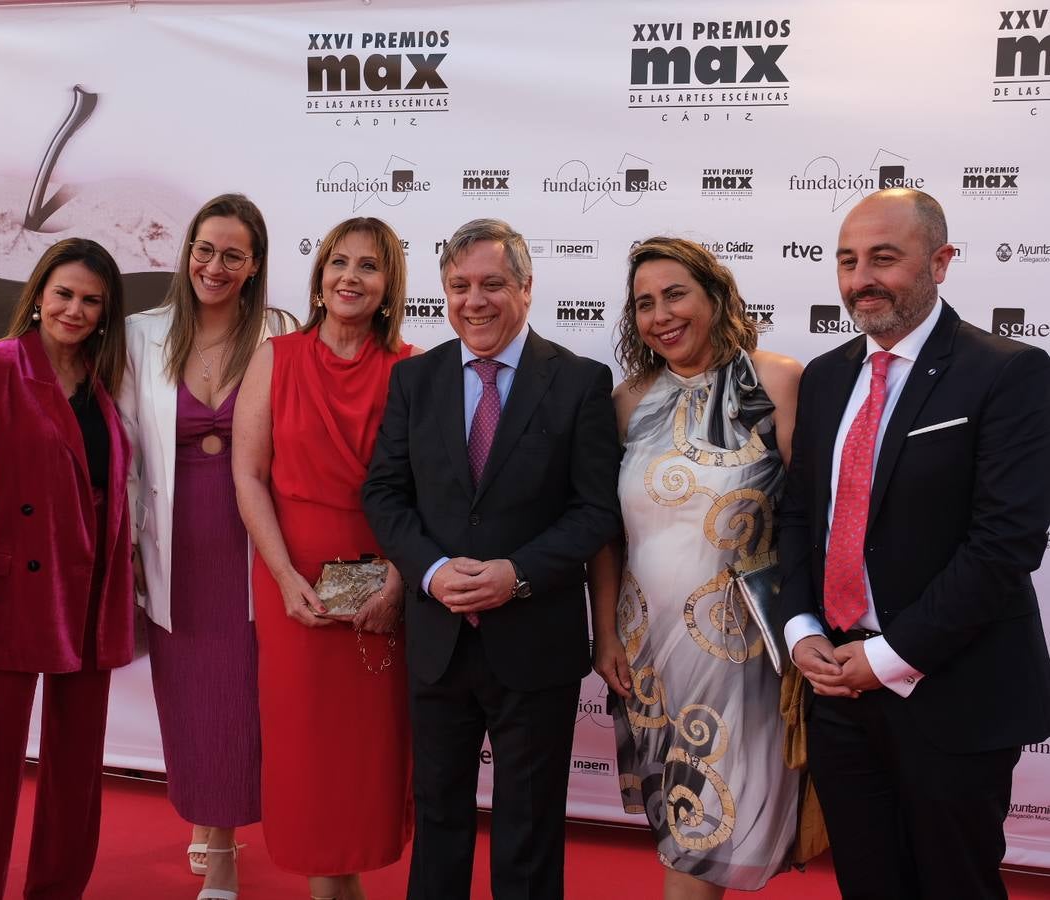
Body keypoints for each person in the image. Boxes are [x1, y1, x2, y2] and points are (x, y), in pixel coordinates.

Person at [777, 188, 1050, 899]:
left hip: (954, 693)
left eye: (883, 258)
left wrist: (888, 658)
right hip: (837, 688)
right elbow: (802, 516)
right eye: (847, 261)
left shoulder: (1009, 373)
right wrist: (802, 629)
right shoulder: (828, 376)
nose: (860, 277)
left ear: (941, 261)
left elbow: (1004, 545)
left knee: (954, 884)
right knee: (869, 883)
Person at [362, 218, 621, 900]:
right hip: (437, 642)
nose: (473, 301)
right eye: (458, 286)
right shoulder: (414, 380)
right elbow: (385, 494)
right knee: (439, 815)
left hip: (535, 642)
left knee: (529, 827)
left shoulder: (581, 383)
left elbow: (595, 510)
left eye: (492, 284)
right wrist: (430, 570)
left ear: (528, 289)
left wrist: (518, 574)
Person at [590, 237, 802, 896]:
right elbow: (607, 537)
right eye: (645, 303)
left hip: (743, 649)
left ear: (715, 296)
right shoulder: (628, 402)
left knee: (720, 832)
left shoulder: (777, 381)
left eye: (675, 294)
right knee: (683, 829)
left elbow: (811, 517)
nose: (661, 315)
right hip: (648, 649)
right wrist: (603, 636)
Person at [0, 237, 135, 900]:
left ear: (105, 313)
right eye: (65, 293)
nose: (74, 309)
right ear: (40, 295)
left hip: (93, 591)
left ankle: (57, 889)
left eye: (91, 300)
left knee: (76, 772)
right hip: (10, 590)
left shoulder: (105, 385)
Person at [234, 216, 414, 900]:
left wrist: (398, 582)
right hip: (292, 586)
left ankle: (350, 886)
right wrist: (281, 578)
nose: (350, 277)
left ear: (389, 285)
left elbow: (429, 495)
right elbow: (248, 475)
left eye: (368, 266)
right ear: (318, 276)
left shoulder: (413, 369)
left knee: (365, 755)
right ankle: (327, 892)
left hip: (380, 583)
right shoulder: (276, 357)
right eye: (339, 262)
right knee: (306, 751)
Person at [118, 193, 291, 900]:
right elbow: (122, 448)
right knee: (190, 697)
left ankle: (219, 838)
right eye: (203, 250)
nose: (213, 266)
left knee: (244, 697)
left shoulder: (282, 333)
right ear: (186, 253)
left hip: (253, 539)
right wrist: (126, 544)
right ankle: (213, 835)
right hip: (175, 542)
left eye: (232, 255)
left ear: (254, 267)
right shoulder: (139, 334)